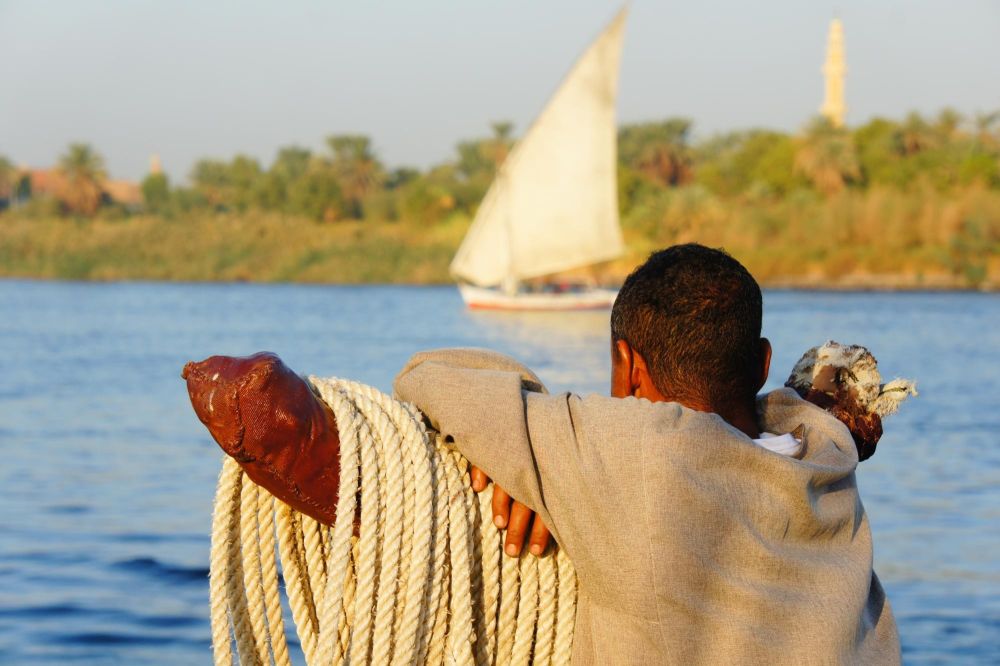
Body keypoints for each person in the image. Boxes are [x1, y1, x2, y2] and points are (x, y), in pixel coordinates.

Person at [184, 243, 900, 664]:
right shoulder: (823, 452)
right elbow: (797, 408)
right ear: (764, 363)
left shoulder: (627, 451)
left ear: (626, 367)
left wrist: (520, 441)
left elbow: (430, 375)